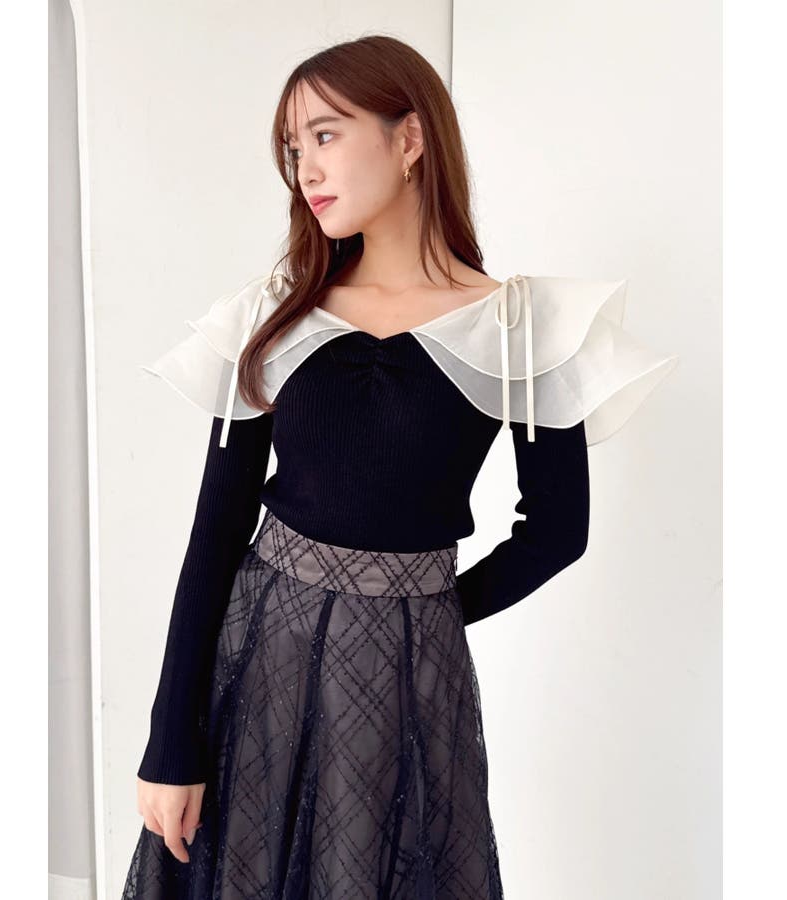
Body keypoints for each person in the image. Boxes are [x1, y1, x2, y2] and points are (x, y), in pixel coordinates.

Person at [120, 34, 678, 900]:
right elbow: (217, 533)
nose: (305, 169)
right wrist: (169, 742)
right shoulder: (272, 314)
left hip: (408, 686)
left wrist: (423, 611)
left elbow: (556, 531)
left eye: (326, 135)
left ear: (410, 138)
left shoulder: (518, 327)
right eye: (293, 148)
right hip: (259, 661)